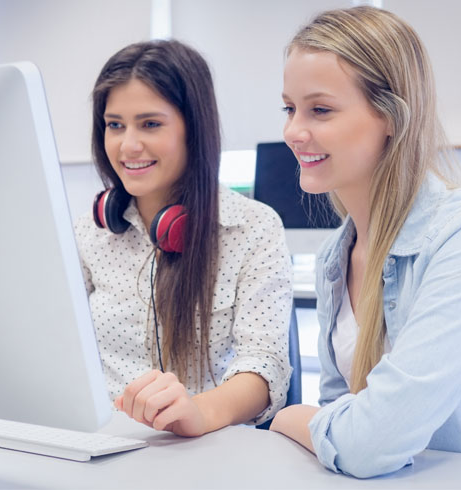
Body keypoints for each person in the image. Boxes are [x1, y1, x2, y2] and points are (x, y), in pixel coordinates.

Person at [268, 6, 461, 477]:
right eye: (289, 108)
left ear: (391, 116)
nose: (292, 131)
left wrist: (287, 416)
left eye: (319, 110)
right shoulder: (335, 256)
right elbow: (340, 422)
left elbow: (365, 443)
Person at [74, 40, 293, 437]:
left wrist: (198, 411)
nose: (128, 145)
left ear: (194, 128)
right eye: (115, 124)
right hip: (99, 442)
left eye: (150, 124)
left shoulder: (252, 228)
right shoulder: (90, 232)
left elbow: (266, 365)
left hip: (203, 449)